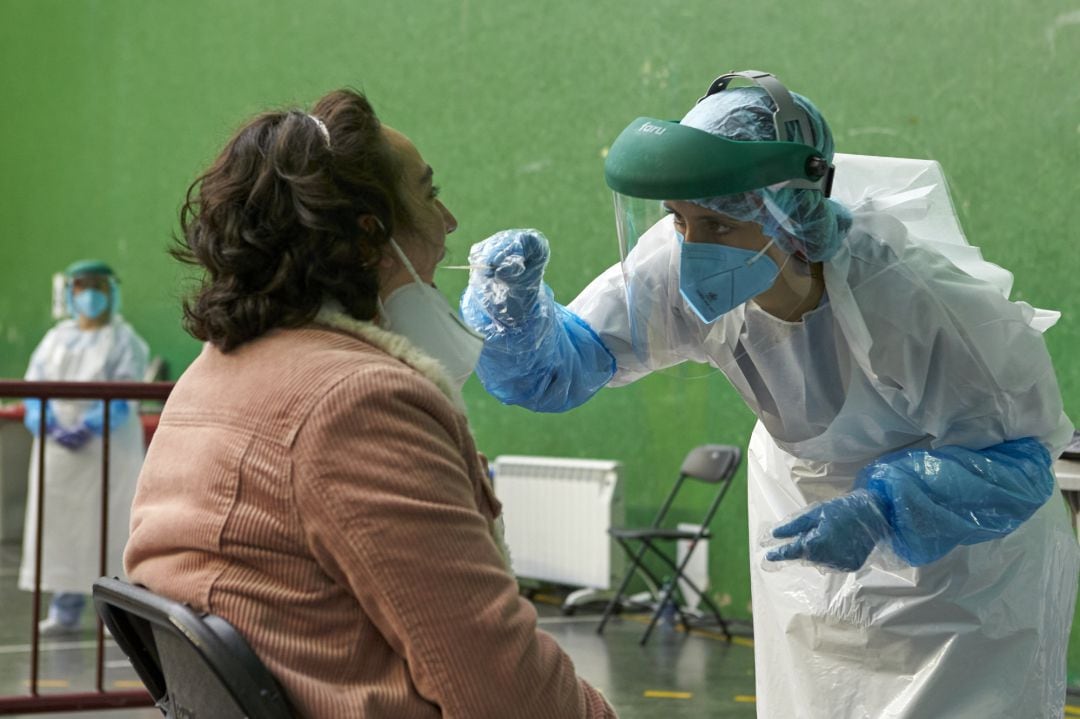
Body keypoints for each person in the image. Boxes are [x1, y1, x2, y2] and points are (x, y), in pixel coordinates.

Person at [460, 70, 1079, 717]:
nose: (693, 245)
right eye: (679, 218)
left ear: (789, 213)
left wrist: (886, 508)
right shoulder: (677, 262)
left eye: (721, 224)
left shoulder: (905, 297)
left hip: (963, 580)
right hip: (807, 534)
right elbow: (569, 362)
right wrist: (516, 325)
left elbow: (1018, 459)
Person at [123, 88, 616, 719]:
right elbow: (503, 690)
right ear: (367, 237)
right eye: (431, 194)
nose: (451, 222)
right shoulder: (357, 404)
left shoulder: (213, 375)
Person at [20, 259, 149, 636]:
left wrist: (92, 425)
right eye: (81, 287)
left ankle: (117, 612)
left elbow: (126, 394)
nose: (89, 296)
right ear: (70, 294)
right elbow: (32, 386)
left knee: (106, 527)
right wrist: (45, 423)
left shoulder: (126, 340)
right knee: (59, 528)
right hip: (58, 451)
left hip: (106, 451)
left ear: (112, 292)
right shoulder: (55, 339)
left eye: (98, 287)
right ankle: (64, 608)